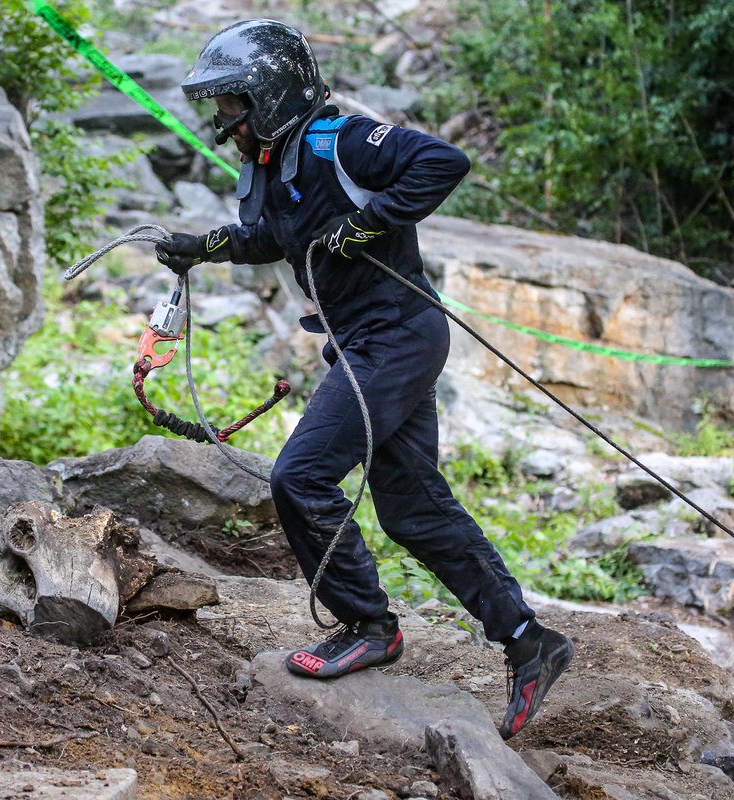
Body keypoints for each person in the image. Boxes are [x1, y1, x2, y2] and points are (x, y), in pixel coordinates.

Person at [154, 18, 573, 740]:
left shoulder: (339, 139)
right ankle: (529, 639)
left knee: (301, 476)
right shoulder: (273, 157)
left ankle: (367, 624)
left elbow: (444, 161)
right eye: (219, 108)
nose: (225, 122)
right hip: (363, 345)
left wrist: (372, 222)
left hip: (396, 339)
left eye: (231, 105)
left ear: (271, 94)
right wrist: (207, 246)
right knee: (412, 509)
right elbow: (278, 236)